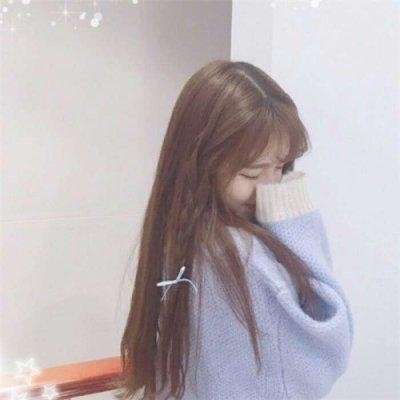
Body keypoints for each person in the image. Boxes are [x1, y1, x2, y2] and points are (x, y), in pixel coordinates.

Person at [118, 60, 354, 400]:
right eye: (251, 173)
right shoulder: (238, 257)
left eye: (281, 167)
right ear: (200, 164)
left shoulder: (180, 236)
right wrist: (294, 219)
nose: (269, 187)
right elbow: (328, 347)